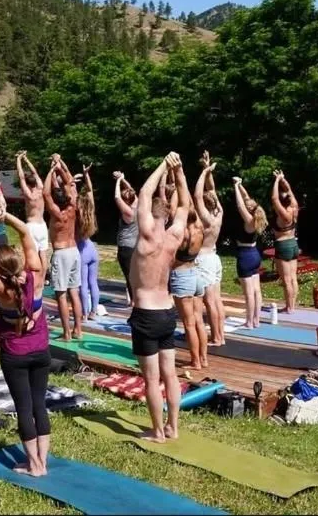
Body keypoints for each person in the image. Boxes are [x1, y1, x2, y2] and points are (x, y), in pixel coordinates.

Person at [0, 207, 51, 476]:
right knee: (39, 404)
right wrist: (5, 216)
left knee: (24, 407)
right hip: (41, 351)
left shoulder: (3, 290)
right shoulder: (36, 274)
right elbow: (26, 233)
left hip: (15, 355)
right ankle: (42, 461)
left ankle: (34, 465)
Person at [128, 152, 184, 443]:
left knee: (151, 378)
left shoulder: (147, 235)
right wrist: (179, 171)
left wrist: (164, 164)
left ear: (150, 214)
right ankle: (173, 427)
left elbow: (144, 192)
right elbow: (185, 205)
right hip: (167, 312)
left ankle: (158, 432)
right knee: (170, 375)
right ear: (168, 215)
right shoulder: (174, 237)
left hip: (147, 314)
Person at [165, 158, 208, 370]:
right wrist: (179, 175)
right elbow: (188, 200)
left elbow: (175, 207)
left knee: (189, 323)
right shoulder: (198, 226)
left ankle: (195, 361)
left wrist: (173, 180)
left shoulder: (181, 232)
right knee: (199, 321)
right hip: (197, 274)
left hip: (182, 276)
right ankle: (204, 359)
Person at [43, 154, 84, 340]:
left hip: (61, 254)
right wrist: (60, 165)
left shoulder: (56, 213)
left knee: (60, 294)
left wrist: (52, 169)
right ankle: (78, 330)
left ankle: (67, 333)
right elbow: (69, 182)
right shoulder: (72, 207)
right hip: (74, 251)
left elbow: (45, 193)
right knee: (74, 291)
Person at [194, 152, 227, 346]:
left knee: (210, 302)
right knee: (217, 299)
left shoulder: (206, 219)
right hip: (214, 258)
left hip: (204, 260)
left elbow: (198, 195)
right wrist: (207, 170)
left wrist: (204, 172)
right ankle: (220, 335)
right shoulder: (219, 212)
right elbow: (211, 190)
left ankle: (216, 337)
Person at [232, 177, 267, 328]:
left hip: (245, 256)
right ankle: (257, 320)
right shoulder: (257, 217)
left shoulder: (250, 221)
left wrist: (235, 186)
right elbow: (246, 198)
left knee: (249, 293)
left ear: (250, 210)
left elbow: (240, 205)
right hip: (255, 254)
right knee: (256, 291)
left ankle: (249, 322)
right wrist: (240, 185)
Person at [271, 170, 300, 314]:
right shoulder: (294, 206)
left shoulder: (284, 215)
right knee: (293, 278)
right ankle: (292, 305)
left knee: (287, 280)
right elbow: (289, 190)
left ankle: (289, 308)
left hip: (283, 246)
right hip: (293, 244)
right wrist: (283, 179)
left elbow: (274, 198)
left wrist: (276, 181)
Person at [16, 151, 50, 275]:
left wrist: (19, 160)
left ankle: (32, 277)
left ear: (28, 184)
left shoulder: (29, 195)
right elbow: (35, 172)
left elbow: (21, 176)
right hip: (42, 225)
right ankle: (43, 277)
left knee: (31, 254)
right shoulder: (41, 189)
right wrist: (26, 159)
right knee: (43, 255)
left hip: (32, 226)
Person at [75, 165, 102, 320]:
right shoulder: (91, 212)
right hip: (92, 249)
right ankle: (93, 311)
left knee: (83, 284)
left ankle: (84, 313)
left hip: (81, 251)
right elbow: (90, 191)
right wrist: (87, 175)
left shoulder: (77, 217)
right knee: (93, 283)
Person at [113, 171, 138, 306]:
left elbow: (117, 197)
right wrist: (123, 179)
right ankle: (134, 299)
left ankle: (134, 301)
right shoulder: (136, 204)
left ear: (127, 200)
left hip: (126, 248)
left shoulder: (128, 212)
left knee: (129, 276)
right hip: (134, 246)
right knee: (133, 274)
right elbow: (131, 190)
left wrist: (118, 182)